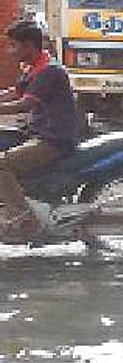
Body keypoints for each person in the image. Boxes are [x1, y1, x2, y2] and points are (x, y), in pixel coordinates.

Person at [0, 20, 77, 241]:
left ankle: (25, 220)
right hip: (38, 132)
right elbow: (15, 92)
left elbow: (24, 104)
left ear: (28, 45)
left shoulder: (49, 71)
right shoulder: (34, 66)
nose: (10, 50)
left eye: (13, 45)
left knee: (1, 163)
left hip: (53, 139)